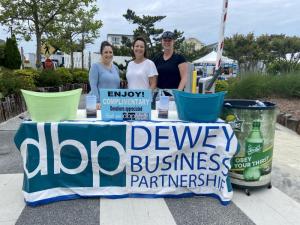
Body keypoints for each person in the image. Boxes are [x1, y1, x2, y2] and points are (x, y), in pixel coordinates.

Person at [89, 41, 120, 108]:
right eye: (106, 52)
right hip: (99, 105)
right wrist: (97, 102)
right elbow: (93, 86)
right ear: (101, 53)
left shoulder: (116, 68)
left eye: (110, 52)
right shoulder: (95, 66)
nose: (108, 54)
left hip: (113, 104)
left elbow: (117, 88)